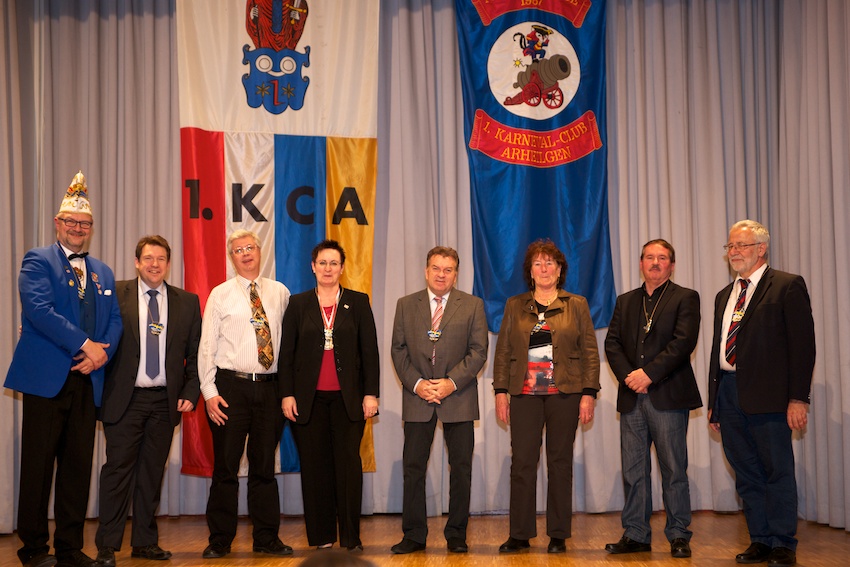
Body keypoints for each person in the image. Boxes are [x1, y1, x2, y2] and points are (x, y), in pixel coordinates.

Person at [5, 171, 123, 567]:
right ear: (58, 223)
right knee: (38, 468)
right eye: (71, 222)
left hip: (88, 380)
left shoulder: (103, 271)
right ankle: (34, 549)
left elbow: (115, 320)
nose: (77, 228)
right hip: (46, 380)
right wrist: (86, 344)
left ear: (91, 228)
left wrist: (101, 354)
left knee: (77, 468)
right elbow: (39, 311)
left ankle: (70, 548)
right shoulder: (37, 260)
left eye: (84, 223)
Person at [707, 220, 815, 567]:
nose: (734, 252)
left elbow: (803, 347)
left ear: (761, 248)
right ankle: (760, 540)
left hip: (770, 396)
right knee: (746, 473)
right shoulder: (724, 295)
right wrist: (714, 403)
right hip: (728, 393)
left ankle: (783, 542)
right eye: (730, 246)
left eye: (741, 245)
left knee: (776, 470)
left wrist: (798, 398)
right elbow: (718, 350)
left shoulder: (786, 285)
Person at [94, 236, 202, 566]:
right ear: (137, 262)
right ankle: (107, 546)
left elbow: (195, 353)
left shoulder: (187, 302)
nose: (154, 264)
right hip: (124, 400)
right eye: (148, 258)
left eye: (161, 258)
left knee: (152, 474)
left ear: (168, 264)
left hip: (164, 402)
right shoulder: (115, 294)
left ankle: (144, 542)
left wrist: (190, 392)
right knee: (117, 473)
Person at [493, 239, 600, 554]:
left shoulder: (576, 304)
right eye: (537, 264)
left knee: (560, 462)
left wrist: (589, 394)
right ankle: (520, 534)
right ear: (530, 271)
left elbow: (590, 352)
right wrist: (500, 392)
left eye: (550, 263)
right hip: (524, 395)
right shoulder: (515, 305)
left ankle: (558, 534)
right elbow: (503, 352)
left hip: (565, 394)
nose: (544, 269)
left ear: (559, 269)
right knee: (522, 464)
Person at [604, 239, 702, 558]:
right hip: (632, 397)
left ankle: (678, 534)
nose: (655, 262)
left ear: (672, 265)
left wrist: (648, 374)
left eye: (662, 258)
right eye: (649, 257)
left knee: (673, 469)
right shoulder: (626, 301)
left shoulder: (685, 297)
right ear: (641, 263)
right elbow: (612, 344)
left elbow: (683, 343)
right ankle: (636, 534)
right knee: (633, 471)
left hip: (668, 395)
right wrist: (631, 377)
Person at [280, 240, 380, 551]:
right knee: (315, 470)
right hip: (308, 402)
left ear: (342, 268)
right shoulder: (298, 304)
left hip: (348, 401)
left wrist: (371, 395)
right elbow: (286, 355)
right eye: (322, 263)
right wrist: (287, 395)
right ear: (313, 267)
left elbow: (370, 353)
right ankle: (322, 537)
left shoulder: (358, 302)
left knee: (348, 469)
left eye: (334, 263)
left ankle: (351, 538)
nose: (328, 268)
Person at [198, 229, 292, 559]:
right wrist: (209, 391)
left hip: (270, 389)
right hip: (230, 389)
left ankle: (266, 538)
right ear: (231, 257)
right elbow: (207, 346)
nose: (246, 253)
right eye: (238, 250)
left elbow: (290, 345)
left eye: (250, 247)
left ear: (260, 251)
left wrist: (288, 391)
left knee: (264, 468)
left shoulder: (280, 292)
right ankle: (220, 540)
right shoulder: (220, 294)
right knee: (225, 468)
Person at [389, 247, 489, 554]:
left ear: (456, 274)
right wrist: (418, 384)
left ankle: (456, 534)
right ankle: (414, 535)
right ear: (426, 270)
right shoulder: (406, 305)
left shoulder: (472, 305)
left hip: (458, 397)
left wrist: (450, 383)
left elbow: (478, 351)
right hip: (417, 398)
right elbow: (398, 350)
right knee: (413, 468)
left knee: (461, 469)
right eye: (436, 268)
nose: (441, 275)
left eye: (448, 270)